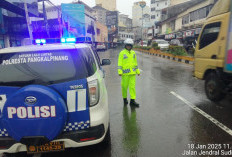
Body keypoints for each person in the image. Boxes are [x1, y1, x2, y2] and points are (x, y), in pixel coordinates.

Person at [118, 38, 140, 107]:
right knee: (124, 87)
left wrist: (137, 71)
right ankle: (125, 99)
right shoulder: (122, 53)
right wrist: (120, 71)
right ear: (125, 45)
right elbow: (120, 63)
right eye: (127, 45)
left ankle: (132, 101)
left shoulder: (133, 53)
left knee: (132, 87)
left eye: (130, 46)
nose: (128, 47)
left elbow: (135, 63)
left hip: (133, 74)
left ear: (131, 46)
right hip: (125, 74)